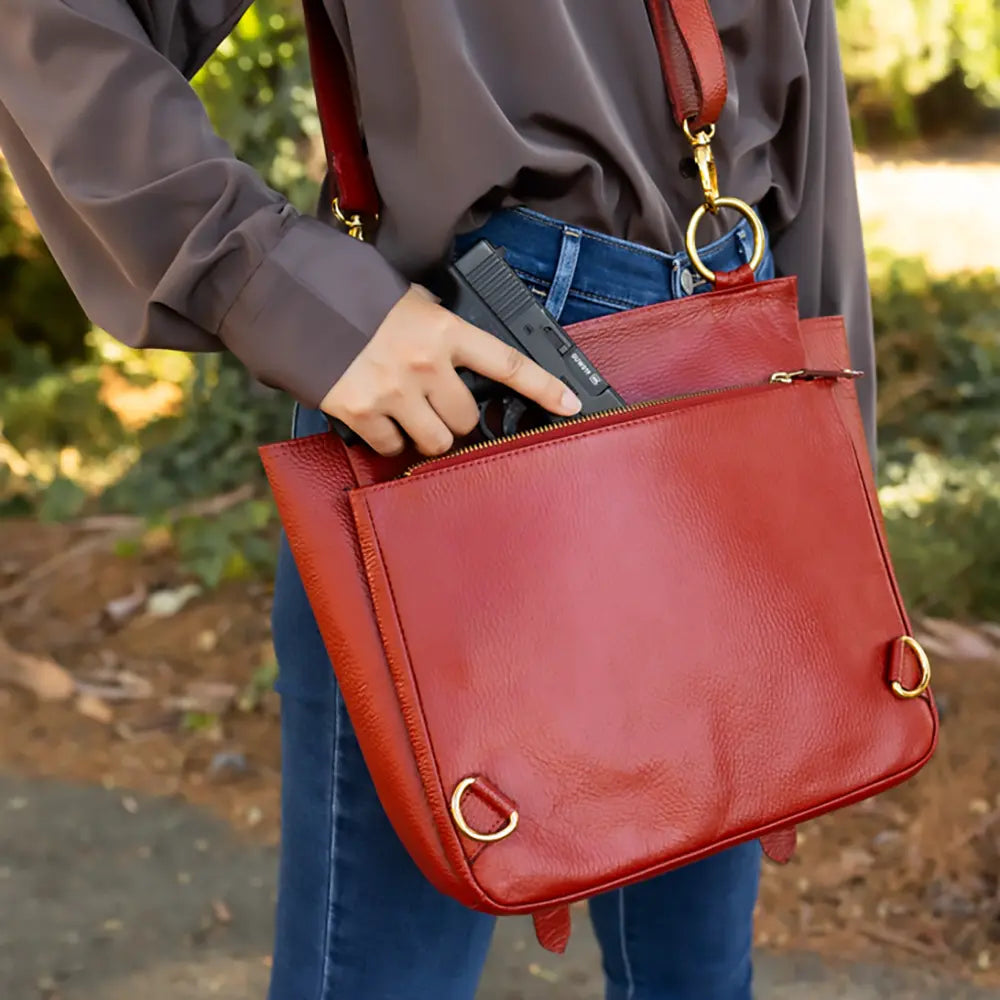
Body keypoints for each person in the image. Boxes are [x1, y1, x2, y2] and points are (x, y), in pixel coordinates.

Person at [0, 2, 874, 997]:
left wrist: (826, 542)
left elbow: (806, 118)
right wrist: (283, 287)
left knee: (698, 977)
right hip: (464, 389)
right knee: (386, 973)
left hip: (728, 375)